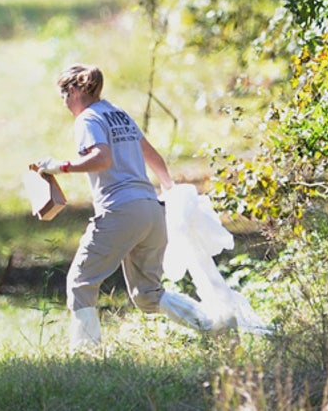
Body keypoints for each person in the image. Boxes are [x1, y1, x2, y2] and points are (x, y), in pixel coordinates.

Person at [33, 63, 226, 352]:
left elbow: (102, 159)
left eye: (64, 94)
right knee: (148, 295)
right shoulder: (119, 114)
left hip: (120, 210)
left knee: (80, 281)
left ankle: (86, 354)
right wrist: (169, 190)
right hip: (151, 209)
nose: (64, 102)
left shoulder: (87, 119)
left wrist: (61, 166)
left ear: (73, 90)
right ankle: (213, 325)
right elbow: (153, 156)